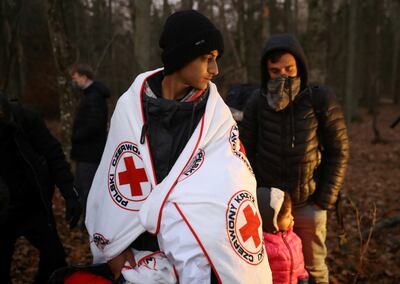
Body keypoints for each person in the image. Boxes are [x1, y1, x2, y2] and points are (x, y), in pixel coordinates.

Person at [86, 10, 272, 284]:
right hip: (139, 251)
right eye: (207, 59)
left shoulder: (216, 120)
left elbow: (235, 184)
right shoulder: (130, 108)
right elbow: (109, 180)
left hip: (198, 252)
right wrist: (112, 247)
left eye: (216, 60)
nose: (215, 70)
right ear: (181, 56)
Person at [240, 33, 349, 283]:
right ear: (266, 71)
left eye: (289, 68)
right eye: (275, 70)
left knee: (313, 269)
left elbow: (339, 150)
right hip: (268, 208)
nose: (283, 75)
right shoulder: (257, 102)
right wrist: (256, 196)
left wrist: (323, 200)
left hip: (308, 203)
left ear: (300, 65)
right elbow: (243, 150)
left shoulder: (319, 99)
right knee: (273, 270)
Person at [0, 92, 81, 283]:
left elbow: (53, 154)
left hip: (32, 207)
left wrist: (70, 193)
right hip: (2, 213)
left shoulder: (24, 118)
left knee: (55, 258)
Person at [70, 64, 110, 224]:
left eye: (76, 77)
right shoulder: (90, 95)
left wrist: (77, 136)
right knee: (81, 187)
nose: (75, 81)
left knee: (88, 190)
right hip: (86, 152)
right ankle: (85, 221)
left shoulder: (94, 97)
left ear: (84, 77)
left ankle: (91, 224)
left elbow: (95, 125)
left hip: (90, 153)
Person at [257, 187, 308, 284]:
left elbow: (300, 265)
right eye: (288, 216)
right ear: (273, 221)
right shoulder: (264, 247)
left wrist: (303, 278)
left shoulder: (295, 239)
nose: (292, 218)